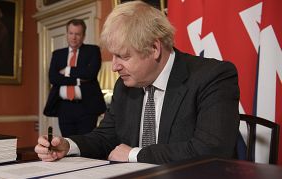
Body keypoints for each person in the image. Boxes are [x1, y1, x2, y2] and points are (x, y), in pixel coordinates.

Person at [35, 1, 240, 164]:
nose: (114, 67)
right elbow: (106, 136)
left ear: (154, 48)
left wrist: (135, 155)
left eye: (123, 56)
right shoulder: (125, 84)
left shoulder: (213, 76)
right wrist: (68, 145)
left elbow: (212, 150)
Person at [43, 19, 106, 137]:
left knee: (85, 145)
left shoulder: (93, 51)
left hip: (86, 108)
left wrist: (67, 70)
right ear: (67, 34)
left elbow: (90, 74)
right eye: (71, 33)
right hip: (64, 108)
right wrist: (77, 80)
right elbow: (53, 78)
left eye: (77, 34)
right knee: (68, 145)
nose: (74, 37)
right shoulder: (57, 54)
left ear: (83, 36)